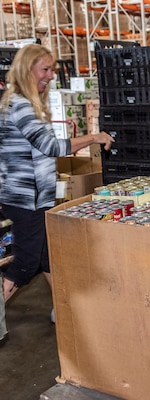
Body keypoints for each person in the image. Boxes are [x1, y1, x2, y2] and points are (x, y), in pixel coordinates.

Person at [0, 44, 114, 320]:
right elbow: (51, 146)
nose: (51, 75)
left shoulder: (21, 102)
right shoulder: (21, 106)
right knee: (25, 265)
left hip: (30, 195)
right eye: (46, 69)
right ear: (28, 70)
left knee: (46, 256)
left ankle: (63, 310)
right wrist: (93, 137)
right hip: (26, 198)